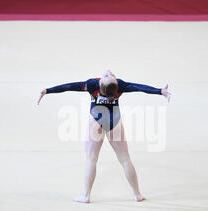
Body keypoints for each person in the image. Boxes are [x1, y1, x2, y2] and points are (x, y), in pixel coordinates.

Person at [37, 69, 171, 203]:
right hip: (114, 122)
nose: (109, 72)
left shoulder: (92, 85)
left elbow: (69, 87)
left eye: (109, 75)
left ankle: (85, 196)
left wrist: (47, 90)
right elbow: (140, 88)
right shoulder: (120, 85)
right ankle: (137, 194)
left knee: (91, 159)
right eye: (110, 75)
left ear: (100, 83)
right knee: (125, 159)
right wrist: (160, 91)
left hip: (96, 121)